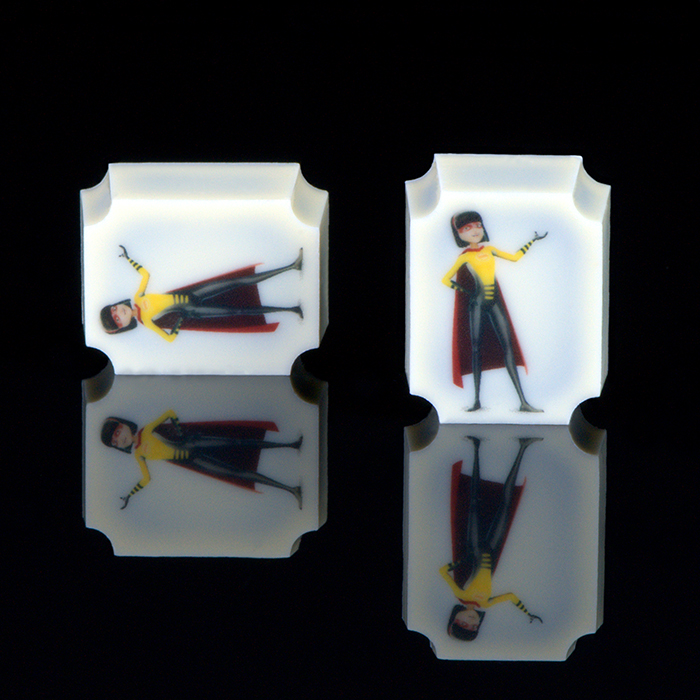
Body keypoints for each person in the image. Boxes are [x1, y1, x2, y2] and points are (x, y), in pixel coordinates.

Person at [442, 211, 547, 412]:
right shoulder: (465, 257)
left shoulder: (490, 250)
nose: (475, 230)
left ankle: (523, 402)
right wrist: (466, 292)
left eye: (478, 225)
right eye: (467, 228)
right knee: (476, 349)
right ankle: (476, 401)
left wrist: (532, 241)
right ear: (459, 234)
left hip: (494, 303)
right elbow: (445, 280)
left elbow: (514, 257)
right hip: (477, 304)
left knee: (508, 346)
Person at [440, 436, 543, 641]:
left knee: (474, 502)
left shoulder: (461, 594)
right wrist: (528, 613)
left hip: (474, 546)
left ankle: (476, 447)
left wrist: (463, 560)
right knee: (505, 505)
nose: (471, 622)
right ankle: (523, 447)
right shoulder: (486, 603)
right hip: (492, 549)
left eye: (463, 624)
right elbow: (511, 597)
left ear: (455, 617)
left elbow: (443, 571)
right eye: (473, 627)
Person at [101, 410, 303, 509]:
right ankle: (291, 489)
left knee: (239, 443)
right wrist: (130, 495)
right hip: (192, 460)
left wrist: (180, 432)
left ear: (124, 425)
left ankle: (290, 445)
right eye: (115, 442)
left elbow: (170, 413)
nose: (120, 439)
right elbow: (146, 479)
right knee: (238, 474)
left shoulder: (146, 430)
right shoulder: (138, 454)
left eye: (118, 432)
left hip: (193, 443)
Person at [101, 246, 303, 342]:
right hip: (193, 310)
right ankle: (291, 310)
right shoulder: (146, 320)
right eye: (117, 319)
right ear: (123, 326)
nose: (119, 312)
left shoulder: (138, 297)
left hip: (192, 293)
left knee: (237, 281)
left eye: (114, 309)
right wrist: (180, 320)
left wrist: (128, 258)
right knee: (239, 311)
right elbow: (169, 338)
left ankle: (292, 267)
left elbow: (145, 274)